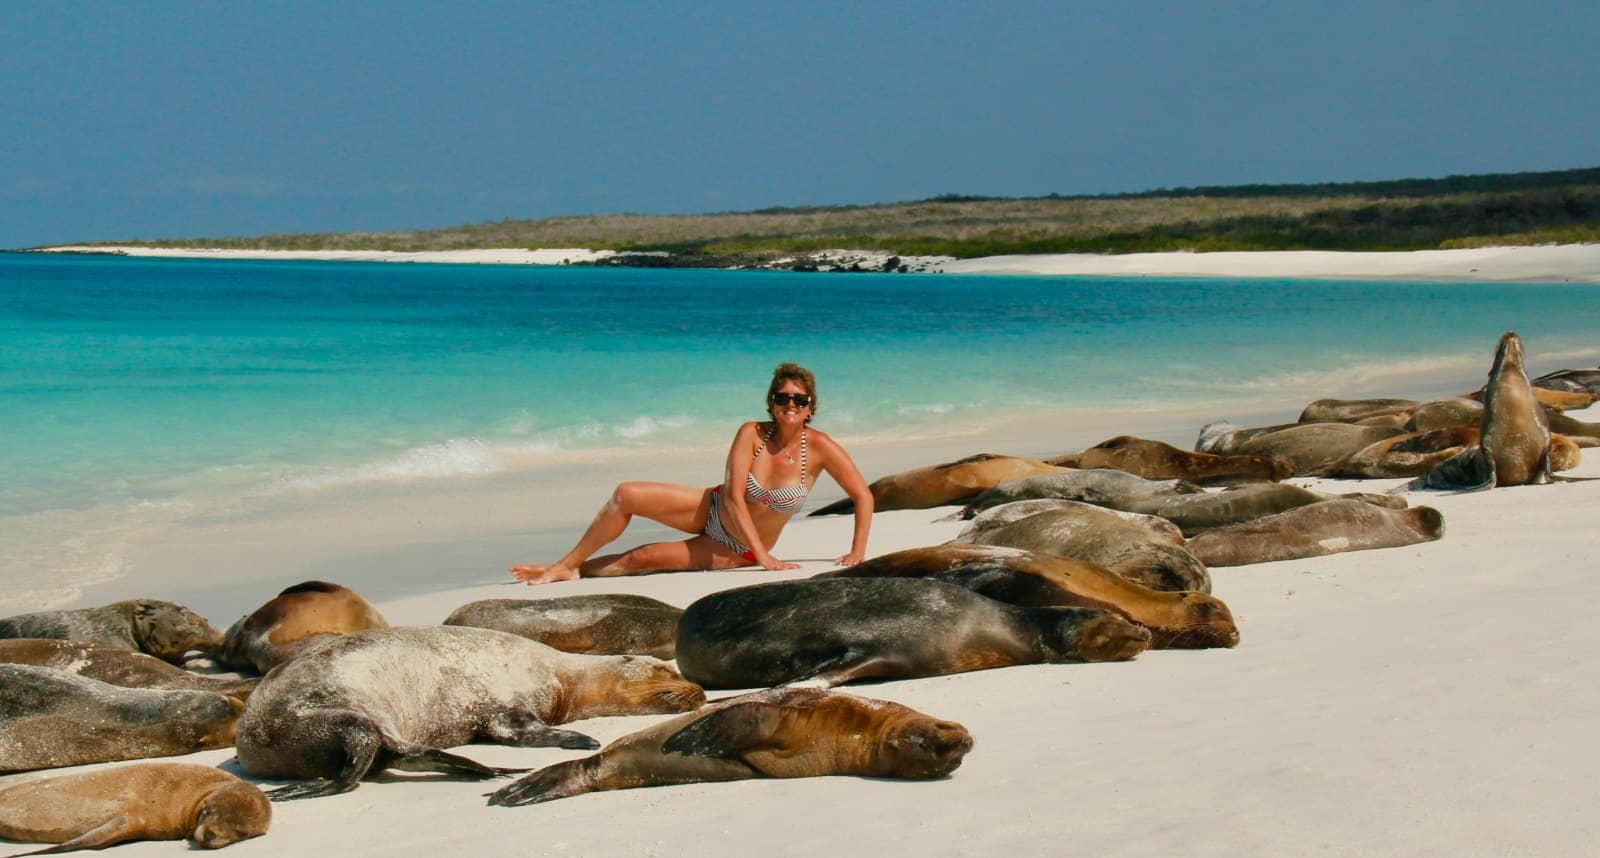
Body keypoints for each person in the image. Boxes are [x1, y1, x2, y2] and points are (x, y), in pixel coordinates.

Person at [510, 363, 874, 584]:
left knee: (642, 559)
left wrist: (856, 552)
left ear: (811, 408)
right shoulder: (751, 433)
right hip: (713, 507)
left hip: (735, 548)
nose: (790, 405)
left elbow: (863, 495)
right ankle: (565, 564)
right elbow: (733, 497)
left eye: (799, 399)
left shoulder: (821, 447)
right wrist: (767, 557)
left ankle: (577, 571)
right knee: (626, 494)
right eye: (782, 398)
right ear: (771, 403)